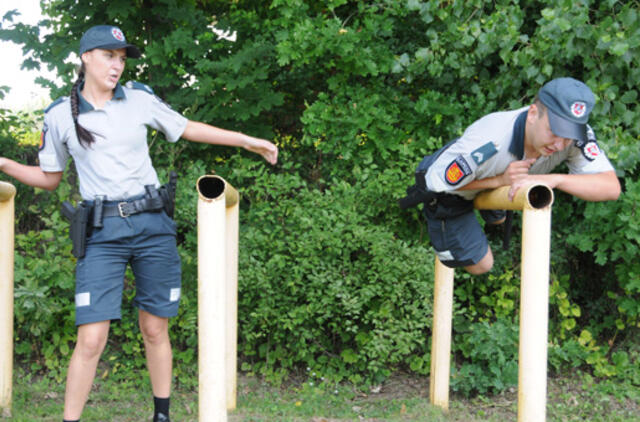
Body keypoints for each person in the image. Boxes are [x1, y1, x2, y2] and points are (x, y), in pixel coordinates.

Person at [0, 25, 278, 422]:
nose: (117, 65)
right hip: (101, 233)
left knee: (154, 328)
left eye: (122, 58)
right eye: (109, 56)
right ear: (86, 58)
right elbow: (50, 177)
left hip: (152, 227)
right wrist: (6, 164)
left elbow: (187, 129)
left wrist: (247, 140)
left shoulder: (139, 100)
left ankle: (161, 415)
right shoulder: (60, 115)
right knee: (91, 338)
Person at [400, 77, 620, 275]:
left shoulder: (574, 135)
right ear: (533, 114)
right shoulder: (489, 141)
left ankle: (494, 206)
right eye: (555, 132)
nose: (560, 144)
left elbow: (611, 188)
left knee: (500, 217)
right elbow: (435, 183)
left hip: (506, 176)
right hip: (448, 189)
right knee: (483, 265)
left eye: (569, 136)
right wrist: (499, 181)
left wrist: (555, 179)